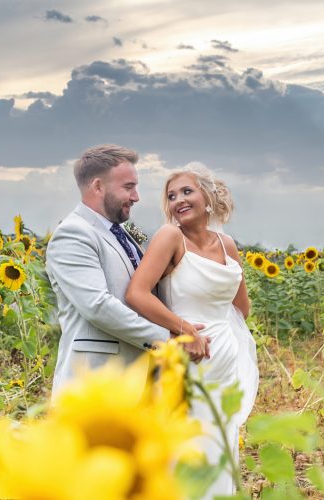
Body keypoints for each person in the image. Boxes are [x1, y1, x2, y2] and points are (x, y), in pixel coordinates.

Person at [126, 164, 259, 496]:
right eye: (171, 196)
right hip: (188, 361)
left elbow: (241, 307)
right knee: (187, 447)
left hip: (225, 363)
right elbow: (137, 294)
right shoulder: (170, 237)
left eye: (186, 191)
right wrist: (185, 329)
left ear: (208, 198)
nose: (178, 201)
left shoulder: (227, 244)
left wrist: (225, 336)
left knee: (220, 444)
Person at [46, 145, 209, 396]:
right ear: (98, 186)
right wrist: (168, 340)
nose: (136, 197)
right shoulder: (73, 233)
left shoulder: (120, 232)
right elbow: (98, 306)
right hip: (95, 385)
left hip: (138, 382)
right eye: (128, 187)